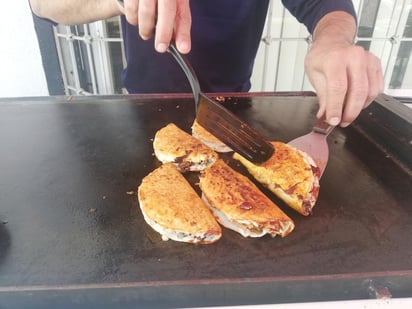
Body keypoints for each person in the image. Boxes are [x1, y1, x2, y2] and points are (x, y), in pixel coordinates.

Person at [29, 0, 383, 127]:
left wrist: (334, 40)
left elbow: (326, 4)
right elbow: (44, 6)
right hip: (138, 109)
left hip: (234, 109)